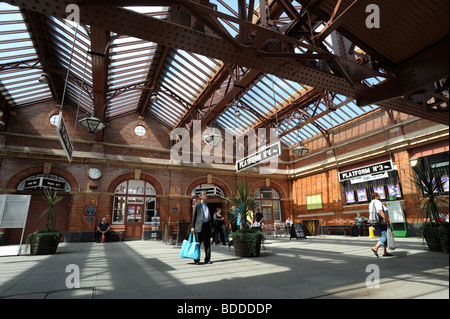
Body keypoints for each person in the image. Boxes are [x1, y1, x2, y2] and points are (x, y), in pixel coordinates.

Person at [191, 191, 214, 264]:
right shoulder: (197, 205)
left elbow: (212, 217)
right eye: (204, 194)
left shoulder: (209, 205)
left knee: (207, 244)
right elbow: (194, 217)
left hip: (207, 226)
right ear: (200, 197)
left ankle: (207, 259)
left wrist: (212, 227)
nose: (205, 195)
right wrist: (192, 226)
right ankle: (196, 259)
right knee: (198, 244)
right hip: (199, 226)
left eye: (206, 194)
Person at [369, 192, 393, 257]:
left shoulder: (371, 203)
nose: (380, 196)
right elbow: (380, 211)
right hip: (379, 221)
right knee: (385, 235)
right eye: (379, 195)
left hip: (373, 220)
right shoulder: (377, 202)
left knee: (382, 235)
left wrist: (372, 224)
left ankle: (384, 252)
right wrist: (386, 220)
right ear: (376, 196)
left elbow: (371, 214)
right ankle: (375, 247)